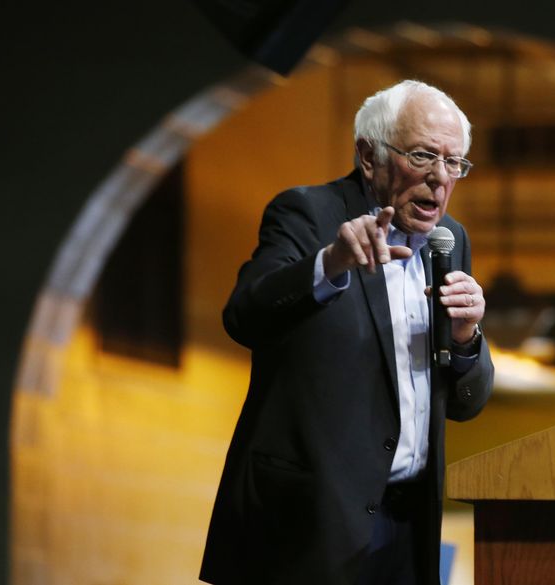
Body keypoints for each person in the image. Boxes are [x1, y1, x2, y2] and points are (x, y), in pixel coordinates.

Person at [200, 80, 494, 585]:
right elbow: (244, 315)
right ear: (369, 156)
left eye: (454, 163)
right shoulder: (309, 214)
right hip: (307, 526)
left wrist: (467, 338)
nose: (439, 179)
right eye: (423, 156)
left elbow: (466, 403)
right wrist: (329, 265)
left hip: (408, 526)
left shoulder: (451, 240)